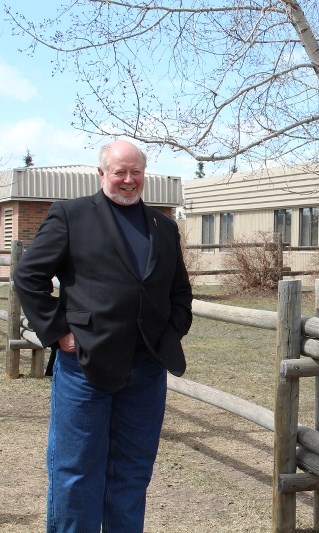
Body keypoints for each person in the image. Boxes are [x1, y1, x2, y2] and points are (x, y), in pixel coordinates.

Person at [13, 139, 193, 532]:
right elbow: (28, 276)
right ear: (102, 173)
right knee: (75, 472)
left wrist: (168, 332)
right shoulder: (71, 215)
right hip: (85, 366)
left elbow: (179, 291)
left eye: (136, 173)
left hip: (146, 370)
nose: (128, 180)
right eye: (120, 172)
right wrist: (59, 332)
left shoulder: (163, 226)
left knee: (132, 472)